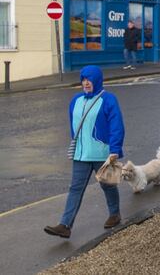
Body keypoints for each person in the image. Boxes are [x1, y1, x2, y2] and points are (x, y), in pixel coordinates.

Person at [44, 65, 125, 239]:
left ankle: (115, 214)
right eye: (83, 79)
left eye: (89, 79)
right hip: (81, 155)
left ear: (97, 80)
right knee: (75, 188)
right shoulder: (76, 100)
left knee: (108, 185)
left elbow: (116, 125)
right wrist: (77, 147)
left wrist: (115, 149)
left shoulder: (108, 99)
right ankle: (65, 225)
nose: (86, 83)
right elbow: (74, 126)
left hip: (102, 153)